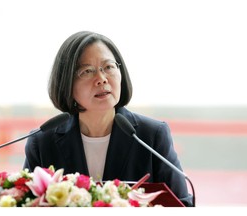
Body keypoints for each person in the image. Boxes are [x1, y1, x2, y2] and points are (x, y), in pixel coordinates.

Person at [23, 31, 193, 207]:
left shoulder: (151, 136)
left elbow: (183, 205)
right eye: (87, 71)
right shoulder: (43, 142)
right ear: (66, 83)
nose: (101, 79)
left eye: (109, 67)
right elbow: (26, 205)